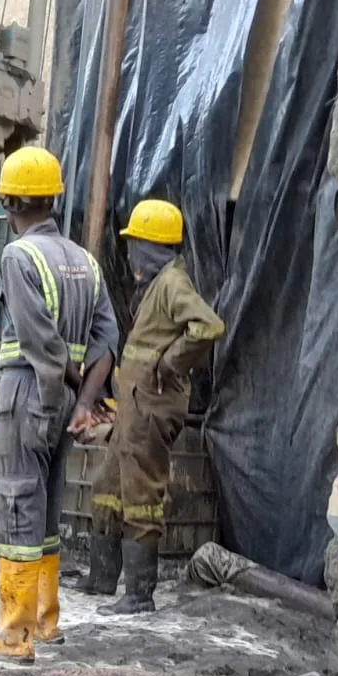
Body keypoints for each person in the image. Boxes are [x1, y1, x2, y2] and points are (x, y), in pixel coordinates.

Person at [0, 147, 118, 663]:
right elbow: (107, 340)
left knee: (15, 504)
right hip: (64, 401)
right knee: (46, 510)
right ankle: (48, 624)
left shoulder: (17, 257)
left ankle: (13, 636)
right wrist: (84, 404)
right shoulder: (86, 262)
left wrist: (58, 397)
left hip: (29, 394)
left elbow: (40, 341)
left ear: (7, 202)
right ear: (52, 199)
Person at [79, 199, 225, 613]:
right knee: (108, 487)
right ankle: (101, 580)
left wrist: (169, 361)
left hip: (151, 407)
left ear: (150, 245)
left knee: (140, 494)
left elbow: (209, 326)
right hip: (135, 406)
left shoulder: (173, 284)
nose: (128, 252)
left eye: (134, 243)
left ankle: (139, 594)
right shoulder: (156, 283)